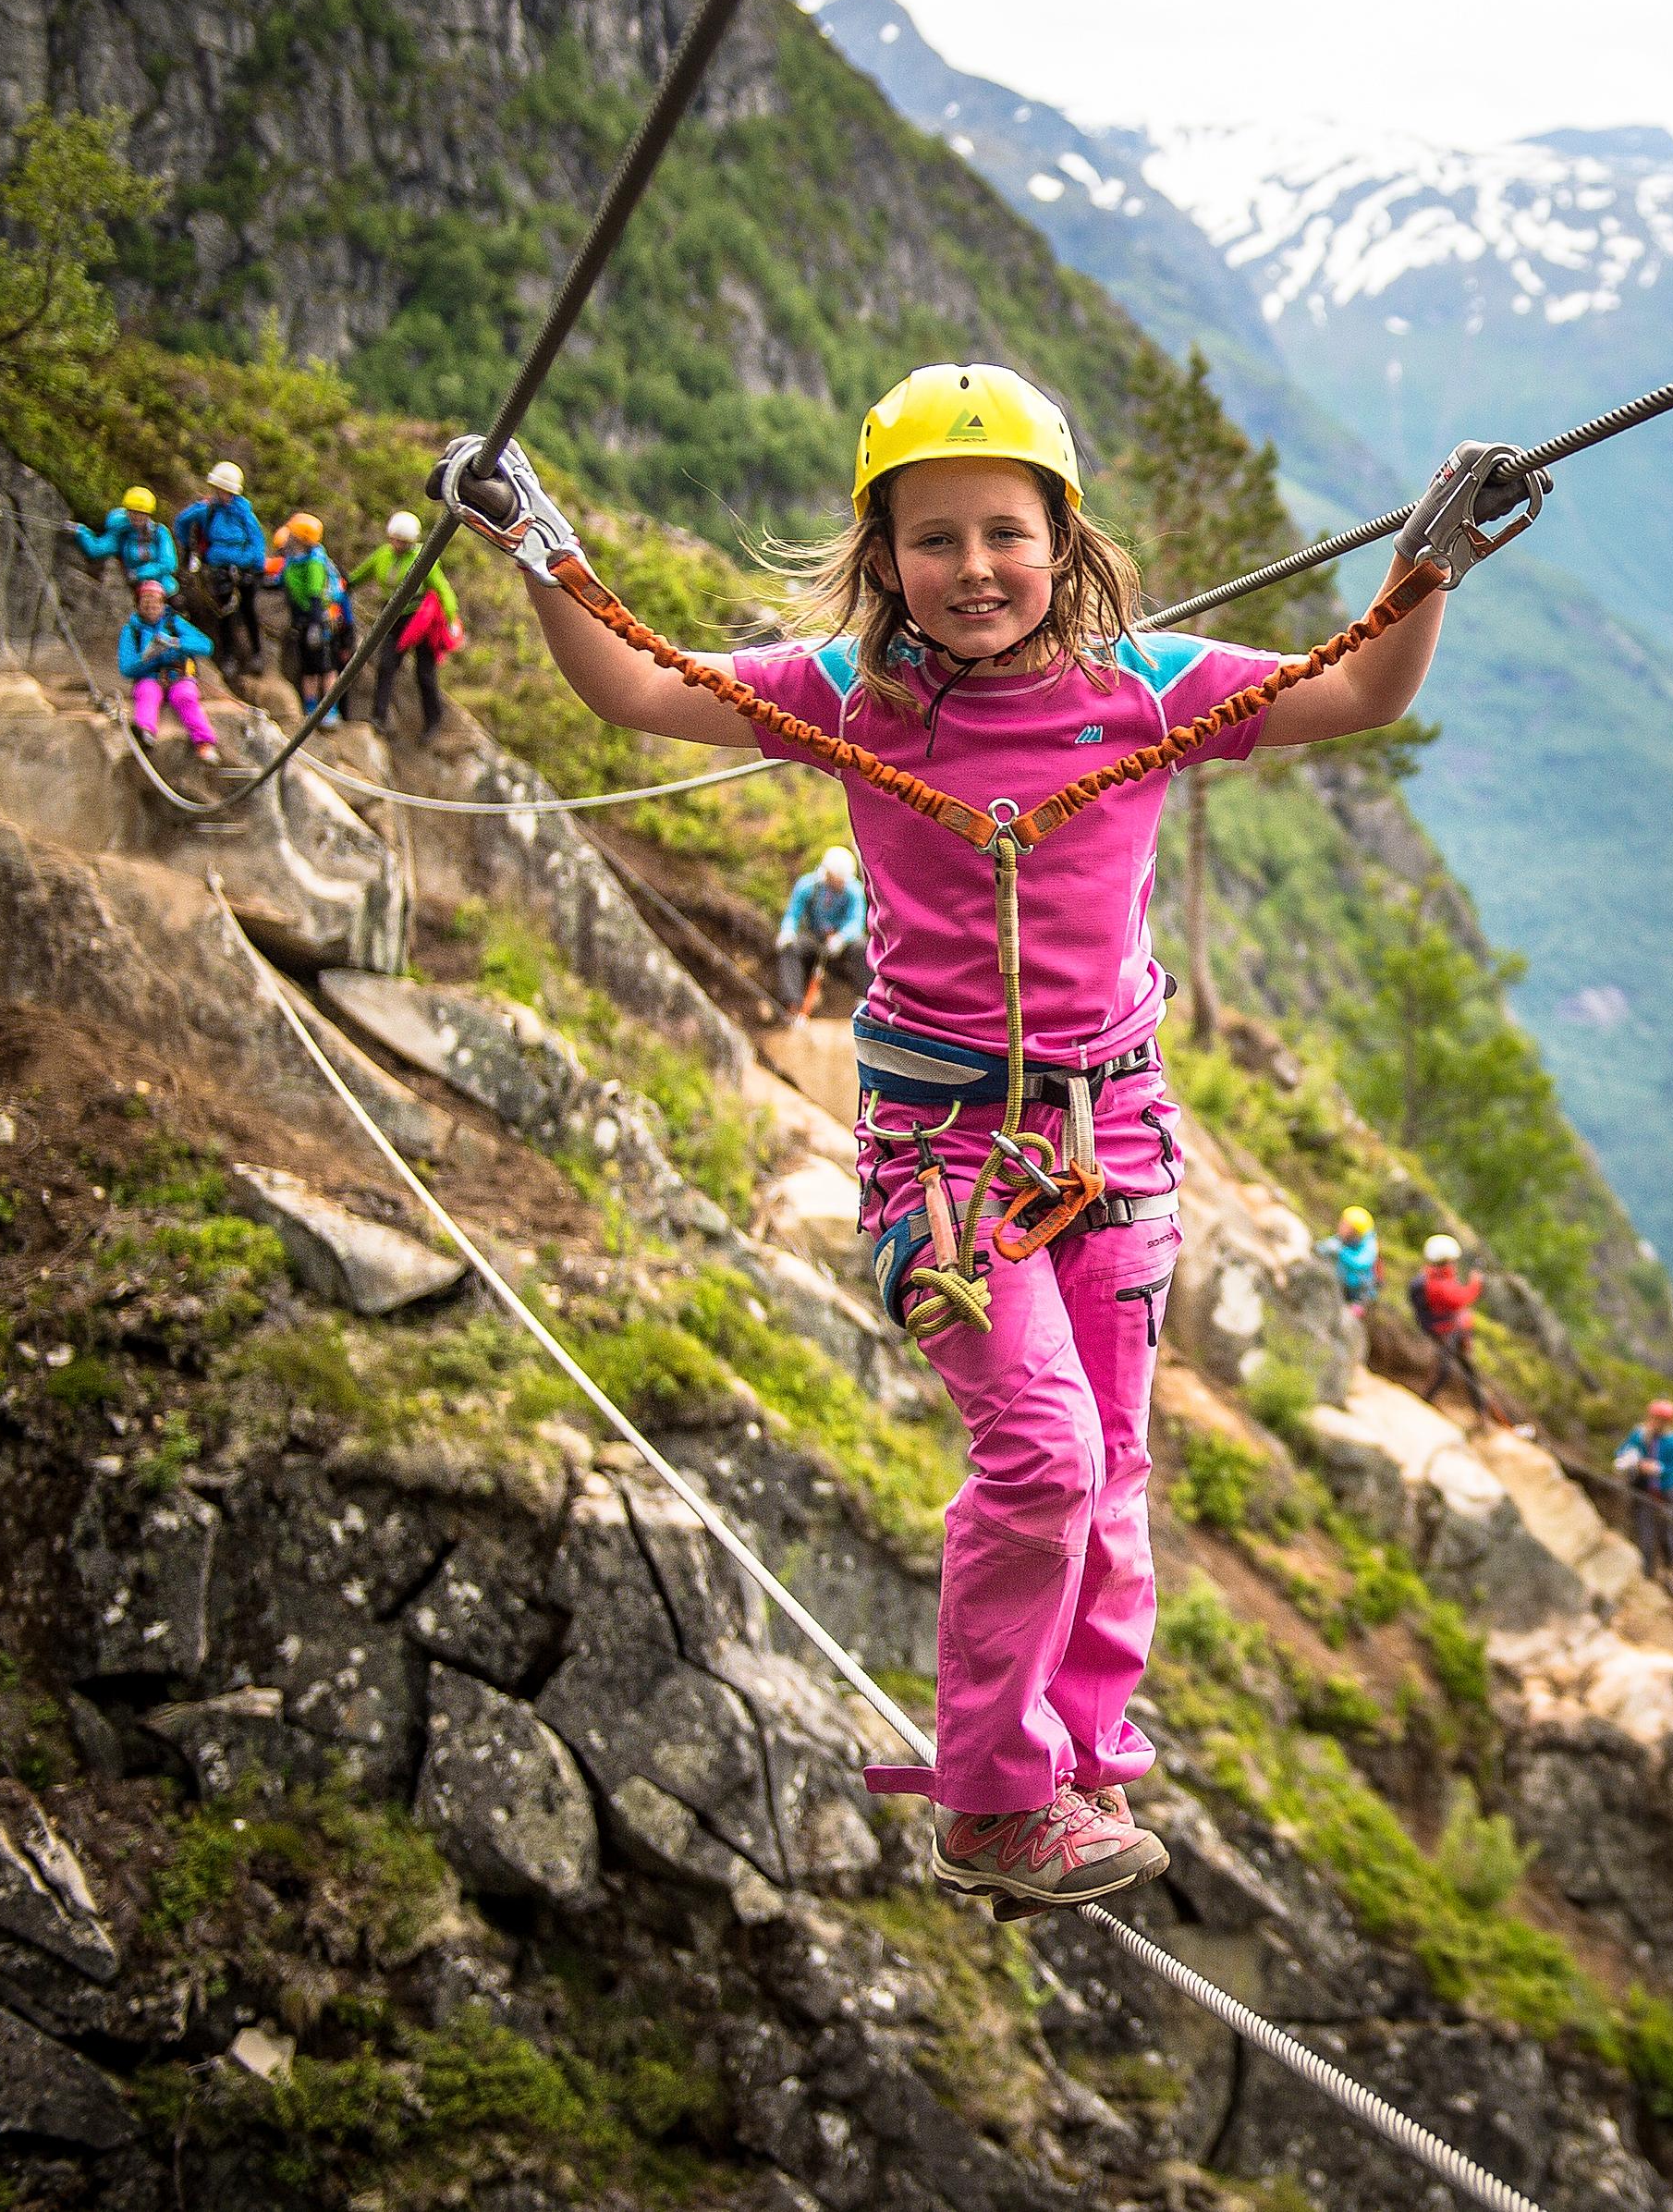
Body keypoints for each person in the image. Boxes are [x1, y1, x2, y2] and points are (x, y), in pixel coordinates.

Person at [440, 361, 1519, 1920]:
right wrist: (542, 553)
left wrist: (1425, 572)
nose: (972, 569)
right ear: (885, 561)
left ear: (1060, 540)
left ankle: (1077, 1751)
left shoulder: (1143, 687)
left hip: (1116, 1132)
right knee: (1042, 1457)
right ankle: (997, 1800)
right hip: (943, 1155)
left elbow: (1356, 691)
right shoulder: (849, 701)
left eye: (1002, 531)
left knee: (1117, 1466)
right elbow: (640, 688)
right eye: (931, 539)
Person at [174, 459, 272, 676]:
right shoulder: (206, 509)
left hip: (244, 567)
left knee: (248, 610)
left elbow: (257, 540)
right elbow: (181, 522)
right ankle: (228, 656)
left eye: (226, 491)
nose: (223, 494)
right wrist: (189, 547)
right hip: (219, 567)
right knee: (225, 612)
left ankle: (257, 653)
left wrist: (257, 567)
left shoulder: (244, 512)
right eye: (220, 490)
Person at [366, 511, 460, 737]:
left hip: (420, 621)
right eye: (396, 540)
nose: (398, 545)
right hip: (394, 617)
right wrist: (346, 584)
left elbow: (443, 589)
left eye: (404, 542)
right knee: (386, 665)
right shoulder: (384, 555)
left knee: (425, 673)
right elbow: (364, 573)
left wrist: (451, 619)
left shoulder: (422, 559)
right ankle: (379, 717)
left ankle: (434, 720)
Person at [115, 576, 222, 763]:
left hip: (178, 676)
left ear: (163, 603)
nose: (151, 607)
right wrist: (147, 657)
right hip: (149, 677)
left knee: (185, 696)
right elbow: (126, 667)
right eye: (145, 602)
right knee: (147, 693)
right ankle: (146, 732)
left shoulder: (174, 623)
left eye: (155, 602)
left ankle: (204, 742)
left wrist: (176, 643)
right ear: (138, 605)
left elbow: (205, 645)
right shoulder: (132, 630)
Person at [773, 844, 870, 1020]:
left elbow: (856, 921)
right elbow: (793, 913)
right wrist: (787, 931)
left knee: (863, 947)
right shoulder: (807, 886)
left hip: (842, 942)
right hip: (815, 938)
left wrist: (841, 938)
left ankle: (865, 1000)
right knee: (791, 948)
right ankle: (793, 1004)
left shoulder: (853, 891)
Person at [274, 512, 350, 720]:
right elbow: (286, 579)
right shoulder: (295, 557)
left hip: (318, 620)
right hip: (304, 619)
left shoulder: (315, 562)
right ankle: (310, 707)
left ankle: (329, 709)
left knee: (325, 667)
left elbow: (315, 594)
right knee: (308, 667)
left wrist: (316, 625)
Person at [1409, 1234, 1486, 1420]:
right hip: (1444, 1330)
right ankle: (1427, 1399)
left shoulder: (1430, 1277)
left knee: (1463, 1368)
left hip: (1446, 1328)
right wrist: (1476, 1283)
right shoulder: (1437, 1284)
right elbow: (1461, 1298)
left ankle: (1480, 1409)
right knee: (1448, 1368)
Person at [1613, 1398, 1673, 1587]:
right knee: (1644, 1529)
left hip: (1666, 1490)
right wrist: (1637, 1463)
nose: (1657, 1422)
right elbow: (1622, 1452)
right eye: (1655, 1418)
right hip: (1643, 1489)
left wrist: (1657, 1468)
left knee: (1668, 1532)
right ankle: (1647, 1572)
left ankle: (1671, 1574)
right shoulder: (1640, 1434)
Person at [67, 485, 176, 592]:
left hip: (160, 587)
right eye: (133, 512)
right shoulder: (122, 532)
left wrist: (138, 574)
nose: (136, 517)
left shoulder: (160, 532)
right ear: (127, 512)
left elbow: (168, 565)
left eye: (141, 513)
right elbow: (97, 549)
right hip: (130, 587)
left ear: (148, 515)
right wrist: (79, 531)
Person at [1320, 1206, 1379, 1312]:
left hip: (1360, 1291)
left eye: (1345, 1225)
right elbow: (1323, 1247)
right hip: (1343, 1285)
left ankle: (1359, 1308)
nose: (1340, 1226)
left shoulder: (1369, 1245)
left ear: (1355, 1230)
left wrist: (1341, 1252)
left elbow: (1360, 1263)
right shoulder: (1342, 1239)